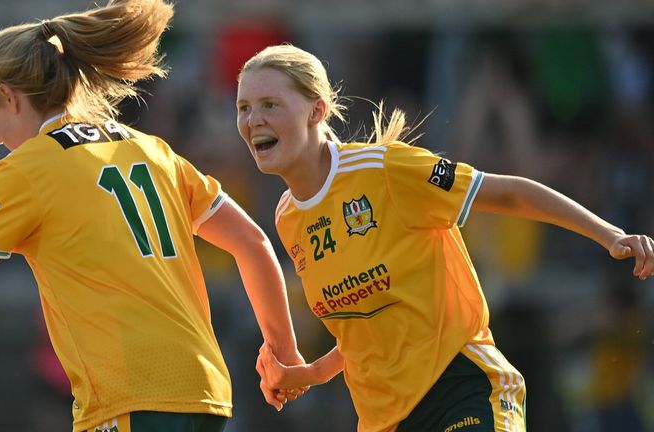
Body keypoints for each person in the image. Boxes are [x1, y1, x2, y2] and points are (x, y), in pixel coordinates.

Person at [0, 2, 305, 432]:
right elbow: (253, 242)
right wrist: (284, 352)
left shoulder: (27, 168)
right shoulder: (153, 149)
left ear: (9, 96)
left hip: (128, 398)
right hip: (207, 393)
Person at [235, 43, 654, 432]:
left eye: (270, 104)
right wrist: (312, 372)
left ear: (316, 110)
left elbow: (509, 191)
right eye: (244, 107)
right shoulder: (288, 218)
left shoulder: (385, 170)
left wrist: (610, 234)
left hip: (462, 387)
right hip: (386, 420)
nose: (254, 120)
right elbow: (365, 332)